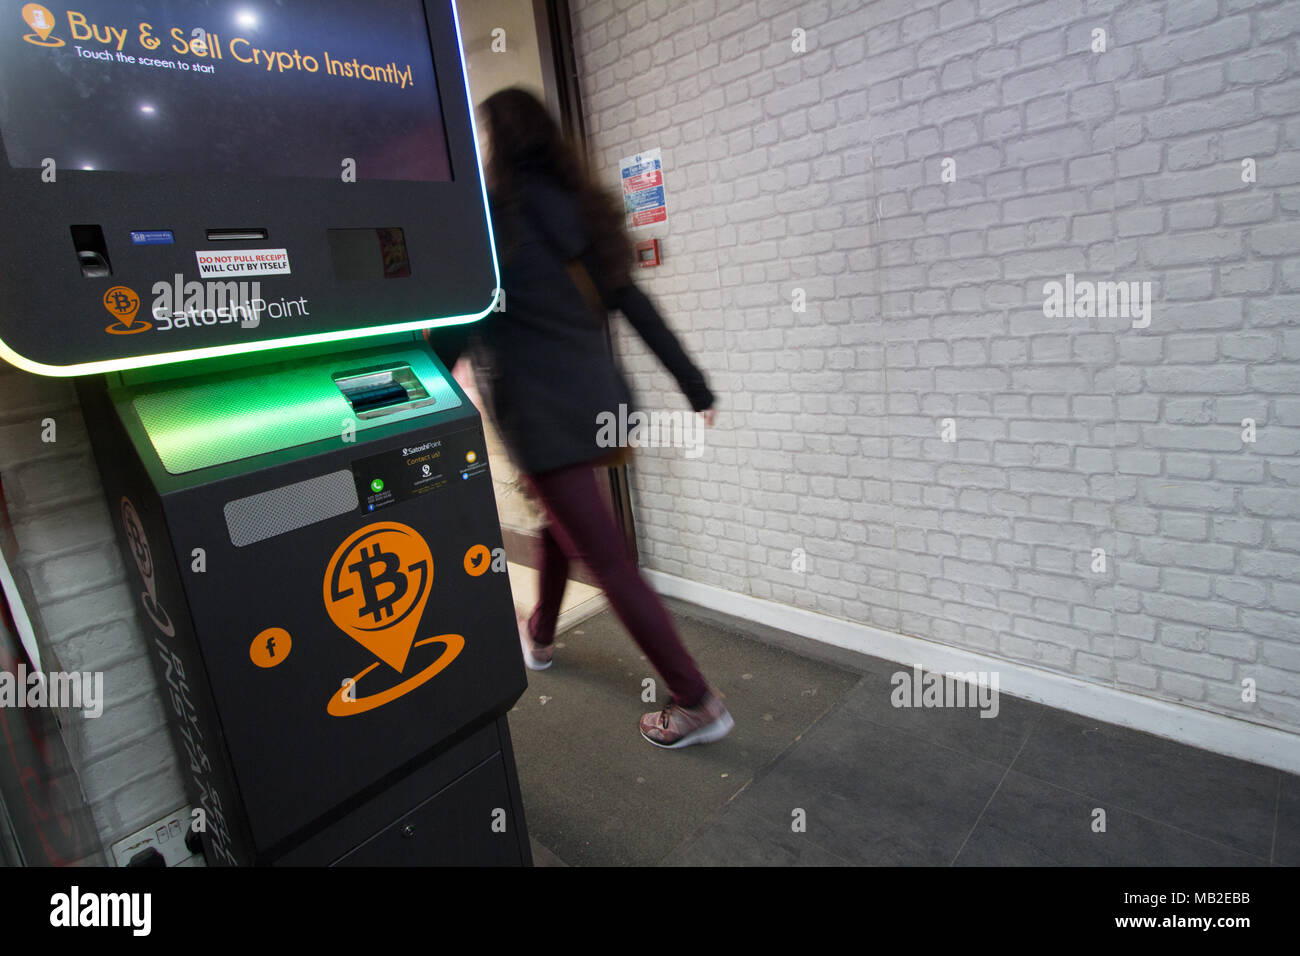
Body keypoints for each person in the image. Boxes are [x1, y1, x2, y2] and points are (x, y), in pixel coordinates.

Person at [428, 87, 732, 750]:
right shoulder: (585, 212)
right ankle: (539, 635)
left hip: (541, 419)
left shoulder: (492, 218)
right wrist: (695, 385)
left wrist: (424, 371)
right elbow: (635, 305)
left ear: (497, 145)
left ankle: (696, 701)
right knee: (562, 520)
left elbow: (463, 314)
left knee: (610, 559)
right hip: (598, 405)